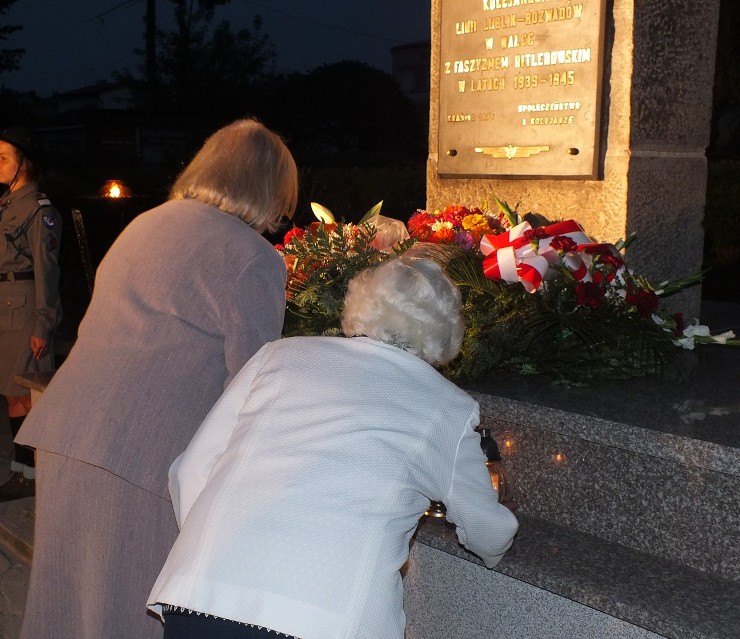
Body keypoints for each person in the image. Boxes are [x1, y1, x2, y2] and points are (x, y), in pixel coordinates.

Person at [15, 118, 299, 638]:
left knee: (66, 602)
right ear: (268, 189)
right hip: (143, 455)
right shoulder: (251, 257)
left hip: (66, 430)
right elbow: (254, 384)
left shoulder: (147, 222)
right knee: (128, 607)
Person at [146, 253, 520, 639]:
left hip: (199, 599)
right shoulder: (448, 406)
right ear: (446, 335)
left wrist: (216, 556)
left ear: (360, 306)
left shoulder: (278, 355)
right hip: (323, 618)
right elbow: (486, 527)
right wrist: (496, 552)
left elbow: (189, 470)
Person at [0, 125, 62, 504]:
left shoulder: (38, 209)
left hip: (24, 308)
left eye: (3, 158)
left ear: (23, 164)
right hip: (1, 304)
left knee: (26, 395)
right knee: (13, 394)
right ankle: (24, 472)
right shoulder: (7, 203)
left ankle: (33, 475)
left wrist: (43, 323)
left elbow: (48, 271)